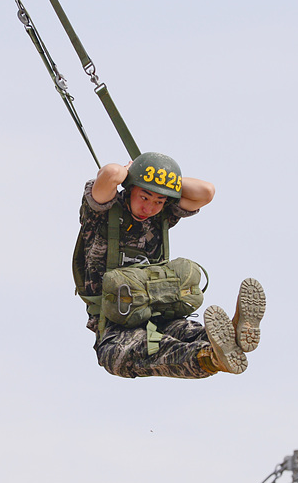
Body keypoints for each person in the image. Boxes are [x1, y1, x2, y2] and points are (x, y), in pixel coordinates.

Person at [73, 152, 265, 379]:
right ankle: (213, 356)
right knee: (141, 352)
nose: (150, 208)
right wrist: (134, 172)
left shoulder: (162, 216)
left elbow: (207, 192)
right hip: (118, 325)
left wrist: (165, 181)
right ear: (131, 187)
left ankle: (228, 339)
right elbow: (111, 174)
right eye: (144, 197)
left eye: (159, 201)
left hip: (160, 316)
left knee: (129, 352)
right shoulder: (101, 213)